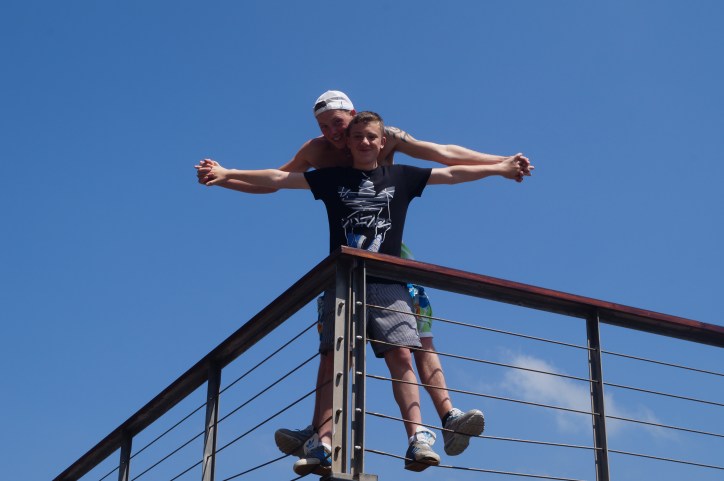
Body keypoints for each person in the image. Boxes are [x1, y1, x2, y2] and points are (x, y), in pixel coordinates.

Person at [196, 90, 532, 462]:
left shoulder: (389, 142)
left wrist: (501, 163)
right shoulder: (319, 155)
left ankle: (443, 418)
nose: (334, 133)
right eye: (325, 127)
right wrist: (224, 176)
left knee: (412, 342)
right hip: (347, 267)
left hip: (391, 261)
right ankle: (320, 433)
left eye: (339, 124)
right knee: (333, 355)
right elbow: (276, 179)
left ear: (363, 124)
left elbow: (445, 158)